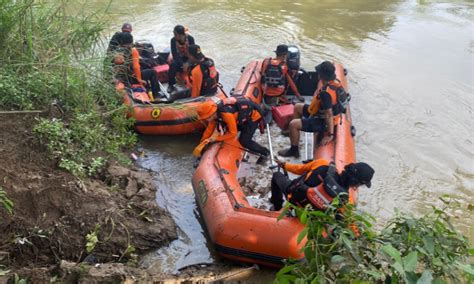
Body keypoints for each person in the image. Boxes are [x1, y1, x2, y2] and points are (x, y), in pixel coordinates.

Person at [278, 61, 348, 158]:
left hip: (324, 121)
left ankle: (294, 150)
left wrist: (330, 134)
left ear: (321, 76)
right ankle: (293, 134)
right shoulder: (336, 83)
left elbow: (329, 114)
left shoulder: (326, 93)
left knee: (293, 124)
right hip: (320, 113)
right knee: (298, 107)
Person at [270, 158, 374, 211]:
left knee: (276, 175)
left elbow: (299, 169)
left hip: (292, 197)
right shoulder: (346, 200)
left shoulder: (322, 164)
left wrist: (284, 165)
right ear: (357, 184)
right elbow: (344, 221)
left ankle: (277, 206)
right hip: (308, 215)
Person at [196, 98, 270, 163]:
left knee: (244, 141)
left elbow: (233, 134)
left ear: (211, 114)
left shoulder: (226, 115)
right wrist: (202, 144)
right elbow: (208, 131)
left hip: (254, 117)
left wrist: (216, 138)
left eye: (205, 118)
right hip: (242, 116)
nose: (205, 120)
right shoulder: (214, 115)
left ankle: (265, 152)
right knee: (228, 128)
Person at [112, 32, 160, 98]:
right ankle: (156, 95)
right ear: (131, 41)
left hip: (122, 79)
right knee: (153, 72)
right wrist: (139, 80)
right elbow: (136, 67)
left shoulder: (115, 51)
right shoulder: (132, 50)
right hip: (131, 78)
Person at [168, 25, 196, 93]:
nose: (174, 35)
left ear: (181, 35)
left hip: (189, 59)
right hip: (179, 59)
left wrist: (188, 63)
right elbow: (175, 55)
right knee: (173, 65)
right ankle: (171, 84)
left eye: (175, 34)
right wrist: (183, 64)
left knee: (196, 66)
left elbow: (193, 53)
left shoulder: (190, 39)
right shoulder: (173, 40)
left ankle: (194, 83)